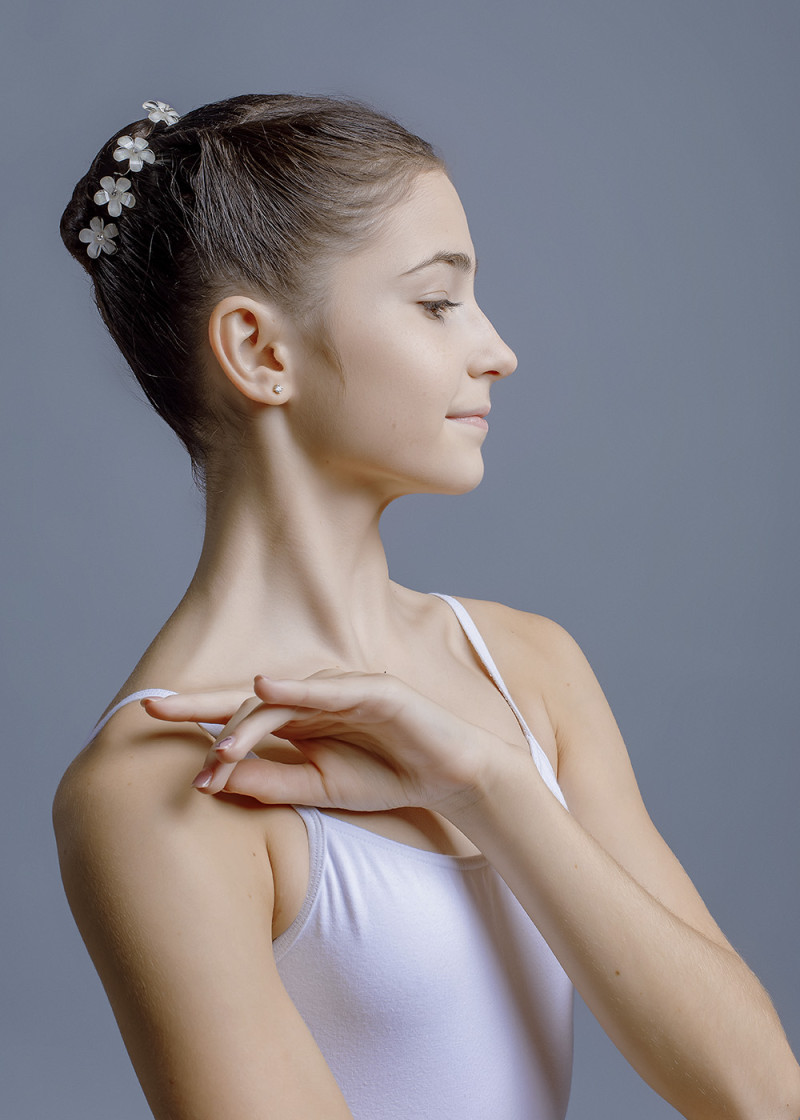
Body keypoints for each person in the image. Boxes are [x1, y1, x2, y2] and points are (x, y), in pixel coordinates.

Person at [53, 94, 800, 1120]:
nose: (496, 350)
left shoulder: (529, 669)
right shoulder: (165, 783)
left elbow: (760, 1094)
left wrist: (484, 786)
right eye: (437, 302)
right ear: (261, 352)